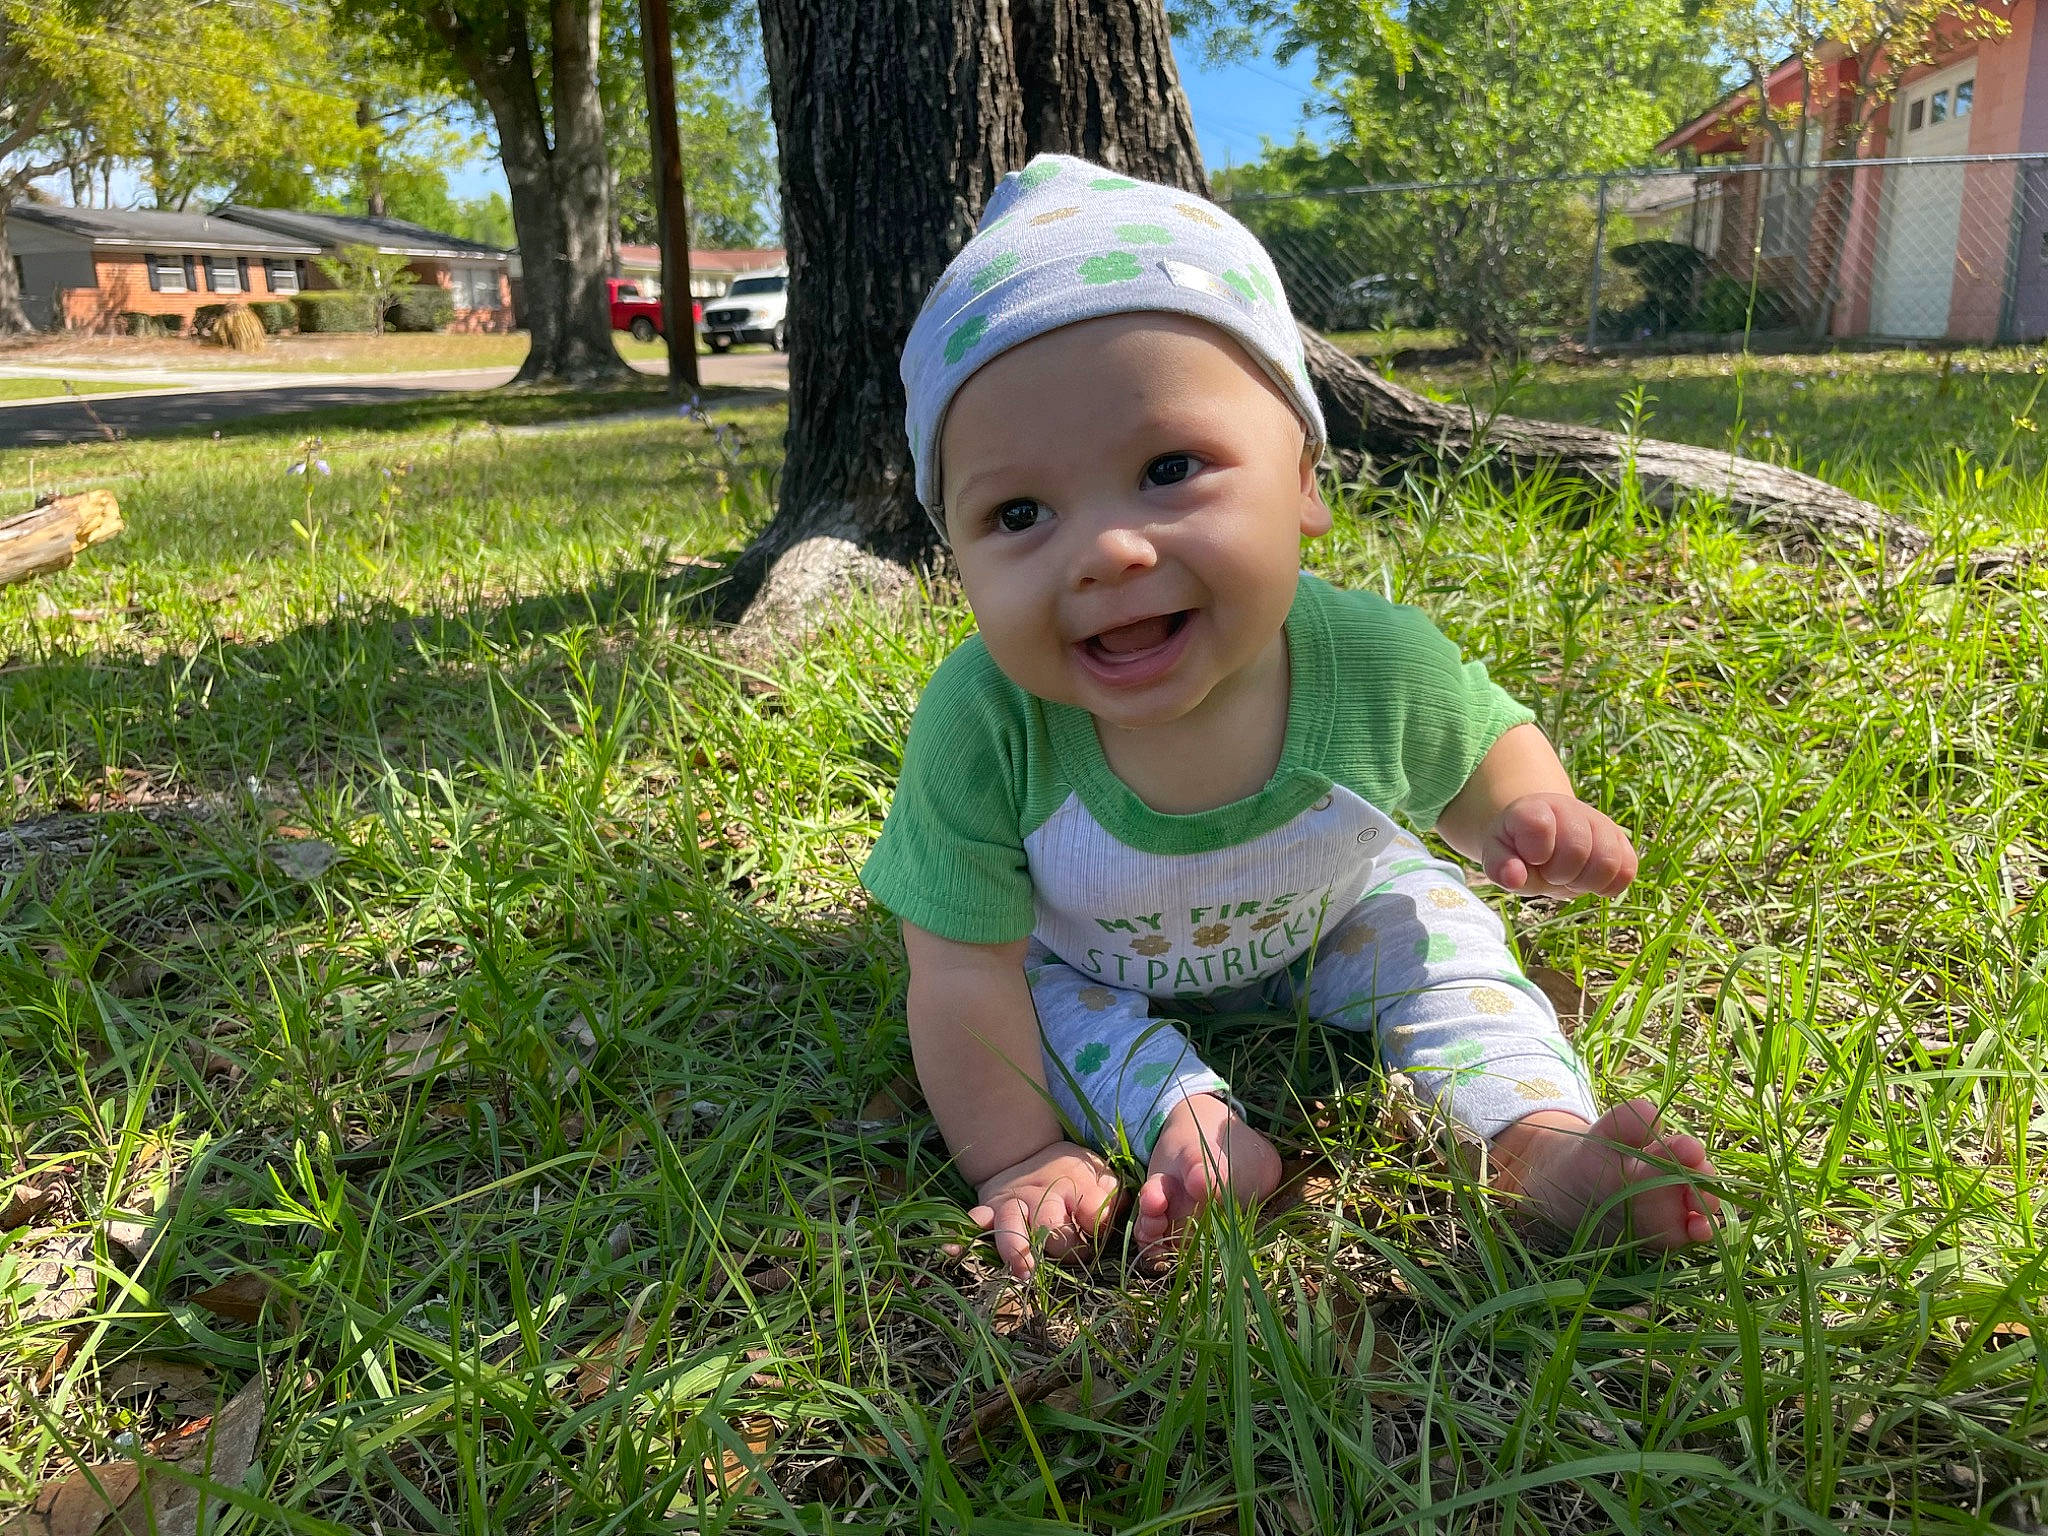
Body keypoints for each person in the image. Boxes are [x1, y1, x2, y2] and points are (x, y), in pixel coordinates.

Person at [862, 153, 1718, 1279]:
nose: (1110, 550)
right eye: (1018, 511)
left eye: (1168, 467)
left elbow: (1477, 746)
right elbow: (961, 971)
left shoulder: (1366, 659)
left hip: (1337, 915)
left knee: (1447, 940)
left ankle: (1534, 1139)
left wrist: (1527, 809)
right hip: (1095, 958)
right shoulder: (984, 722)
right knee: (1040, 1004)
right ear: (955, 555)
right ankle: (1195, 1136)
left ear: (1305, 479)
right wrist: (1013, 1154)